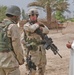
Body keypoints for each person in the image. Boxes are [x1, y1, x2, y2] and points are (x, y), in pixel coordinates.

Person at [21, 8, 49, 75]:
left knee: (42, 69)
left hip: (41, 51)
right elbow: (31, 29)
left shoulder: (40, 25)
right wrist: (37, 25)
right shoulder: (26, 25)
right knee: (31, 71)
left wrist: (41, 27)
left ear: (37, 16)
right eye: (31, 15)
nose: (33, 17)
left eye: (35, 15)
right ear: (29, 16)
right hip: (32, 52)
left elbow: (47, 30)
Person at [0, 5, 24, 75]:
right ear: (15, 16)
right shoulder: (13, 27)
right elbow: (17, 46)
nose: (19, 18)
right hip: (10, 63)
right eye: (19, 16)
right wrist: (20, 60)